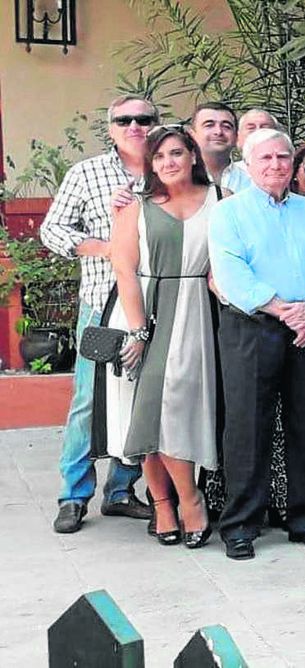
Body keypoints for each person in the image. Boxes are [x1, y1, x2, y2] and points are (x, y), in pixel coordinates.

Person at [209, 128, 305, 561]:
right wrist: (286, 311)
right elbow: (232, 275)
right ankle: (240, 524)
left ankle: (304, 517)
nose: (276, 165)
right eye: (266, 158)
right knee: (248, 426)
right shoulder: (228, 213)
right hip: (253, 328)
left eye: (283, 158)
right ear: (248, 165)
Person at [39, 94, 159, 534]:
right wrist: (108, 249)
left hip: (151, 301)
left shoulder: (167, 167)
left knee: (139, 395)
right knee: (89, 399)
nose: (135, 126)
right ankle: (73, 495)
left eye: (144, 119)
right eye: (124, 120)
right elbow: (52, 229)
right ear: (110, 128)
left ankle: (122, 490)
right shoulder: (87, 172)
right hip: (101, 299)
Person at [101, 126, 219, 549]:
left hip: (199, 313)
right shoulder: (136, 207)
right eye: (159, 157)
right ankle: (173, 503)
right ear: (150, 165)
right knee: (148, 410)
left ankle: (182, 498)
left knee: (176, 408)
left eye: (176, 153)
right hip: (147, 311)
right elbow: (124, 269)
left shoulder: (220, 201)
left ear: (192, 155)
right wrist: (138, 330)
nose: (168, 162)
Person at [189, 101, 246, 193]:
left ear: (236, 136)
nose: (218, 132)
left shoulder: (252, 182)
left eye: (226, 126)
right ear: (192, 135)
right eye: (209, 125)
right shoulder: (180, 180)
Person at [228, 108, 278, 193]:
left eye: (264, 128)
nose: (258, 132)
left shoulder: (289, 171)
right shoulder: (228, 175)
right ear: (238, 137)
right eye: (251, 128)